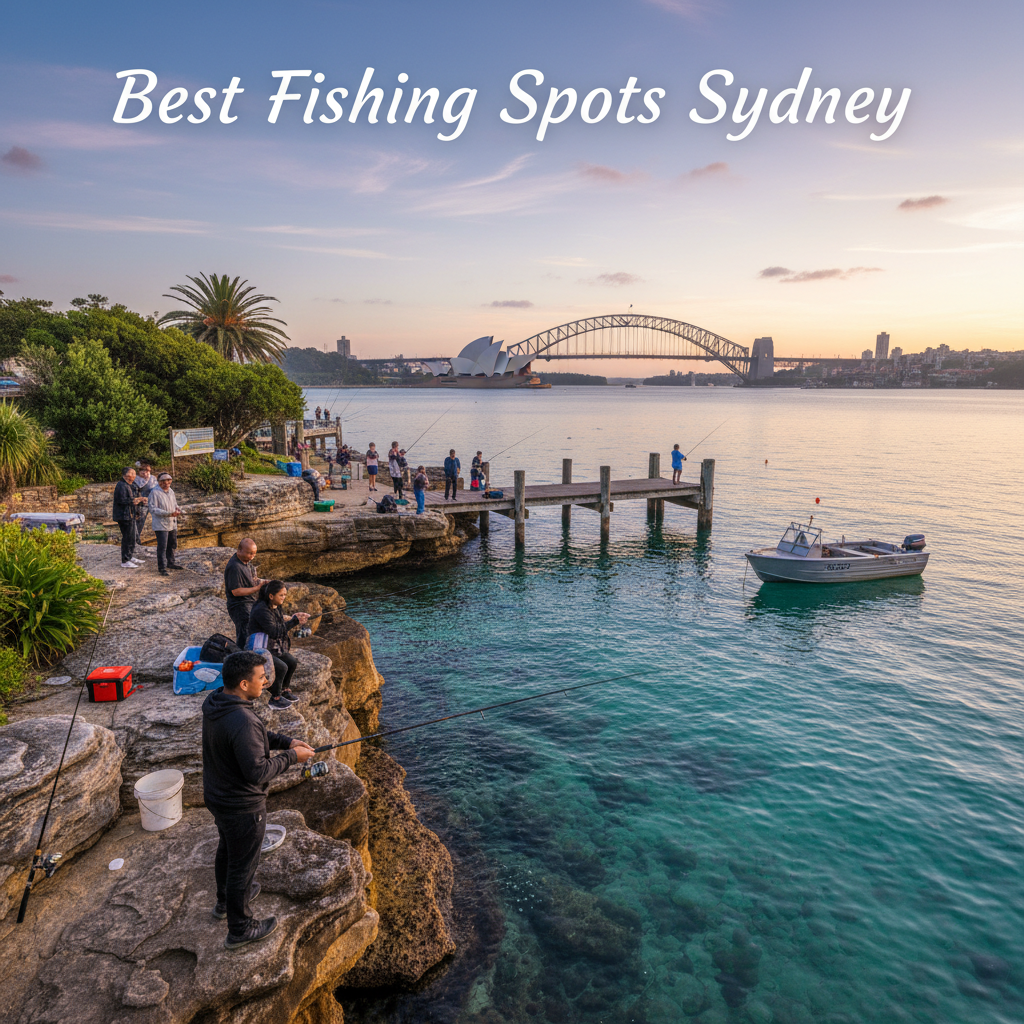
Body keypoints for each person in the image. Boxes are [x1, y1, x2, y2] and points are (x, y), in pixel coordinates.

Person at [202, 651, 315, 949]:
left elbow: (255, 736)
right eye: (262, 677)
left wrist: (287, 741)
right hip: (242, 806)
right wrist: (293, 757)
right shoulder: (241, 718)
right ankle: (240, 928)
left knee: (228, 850)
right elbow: (257, 771)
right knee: (243, 865)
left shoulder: (217, 701)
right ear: (242, 683)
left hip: (218, 796)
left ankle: (225, 902)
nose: (266, 681)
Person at [248, 581, 310, 710]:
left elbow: (280, 624)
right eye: (281, 595)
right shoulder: (261, 610)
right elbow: (275, 631)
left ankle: (284, 690)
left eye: (285, 595)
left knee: (292, 662)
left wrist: (295, 618)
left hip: (271, 647)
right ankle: (274, 698)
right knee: (281, 667)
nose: (284, 598)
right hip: (258, 649)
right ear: (271, 596)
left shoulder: (275, 606)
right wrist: (294, 621)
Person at [224, 539, 264, 648]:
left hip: (248, 603)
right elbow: (236, 591)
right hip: (239, 606)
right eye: (249, 553)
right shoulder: (235, 567)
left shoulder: (244, 562)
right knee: (244, 634)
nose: (252, 556)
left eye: (254, 554)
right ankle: (241, 657)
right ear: (239, 550)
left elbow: (250, 580)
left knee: (251, 631)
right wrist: (257, 588)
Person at [149, 472, 183, 575]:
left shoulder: (171, 491)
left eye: (168, 480)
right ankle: (162, 568)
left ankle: (171, 563)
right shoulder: (154, 492)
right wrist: (169, 513)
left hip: (172, 522)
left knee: (172, 544)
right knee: (162, 546)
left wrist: (177, 509)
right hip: (161, 524)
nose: (166, 482)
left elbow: (174, 503)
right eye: (163, 481)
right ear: (158, 481)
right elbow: (153, 509)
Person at [113, 466, 146, 568]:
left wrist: (139, 500)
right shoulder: (121, 485)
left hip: (129, 515)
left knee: (132, 537)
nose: (134, 475)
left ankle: (130, 556)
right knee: (127, 538)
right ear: (126, 475)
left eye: (134, 473)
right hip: (124, 516)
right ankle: (125, 560)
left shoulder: (129, 485)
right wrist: (136, 500)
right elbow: (122, 500)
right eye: (132, 473)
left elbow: (132, 499)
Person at [133, 461, 157, 558]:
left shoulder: (153, 479)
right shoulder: (136, 480)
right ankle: (136, 543)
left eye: (146, 471)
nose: (145, 473)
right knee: (139, 523)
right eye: (142, 471)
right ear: (139, 472)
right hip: (140, 505)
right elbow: (134, 492)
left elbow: (156, 490)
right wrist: (140, 499)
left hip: (152, 503)